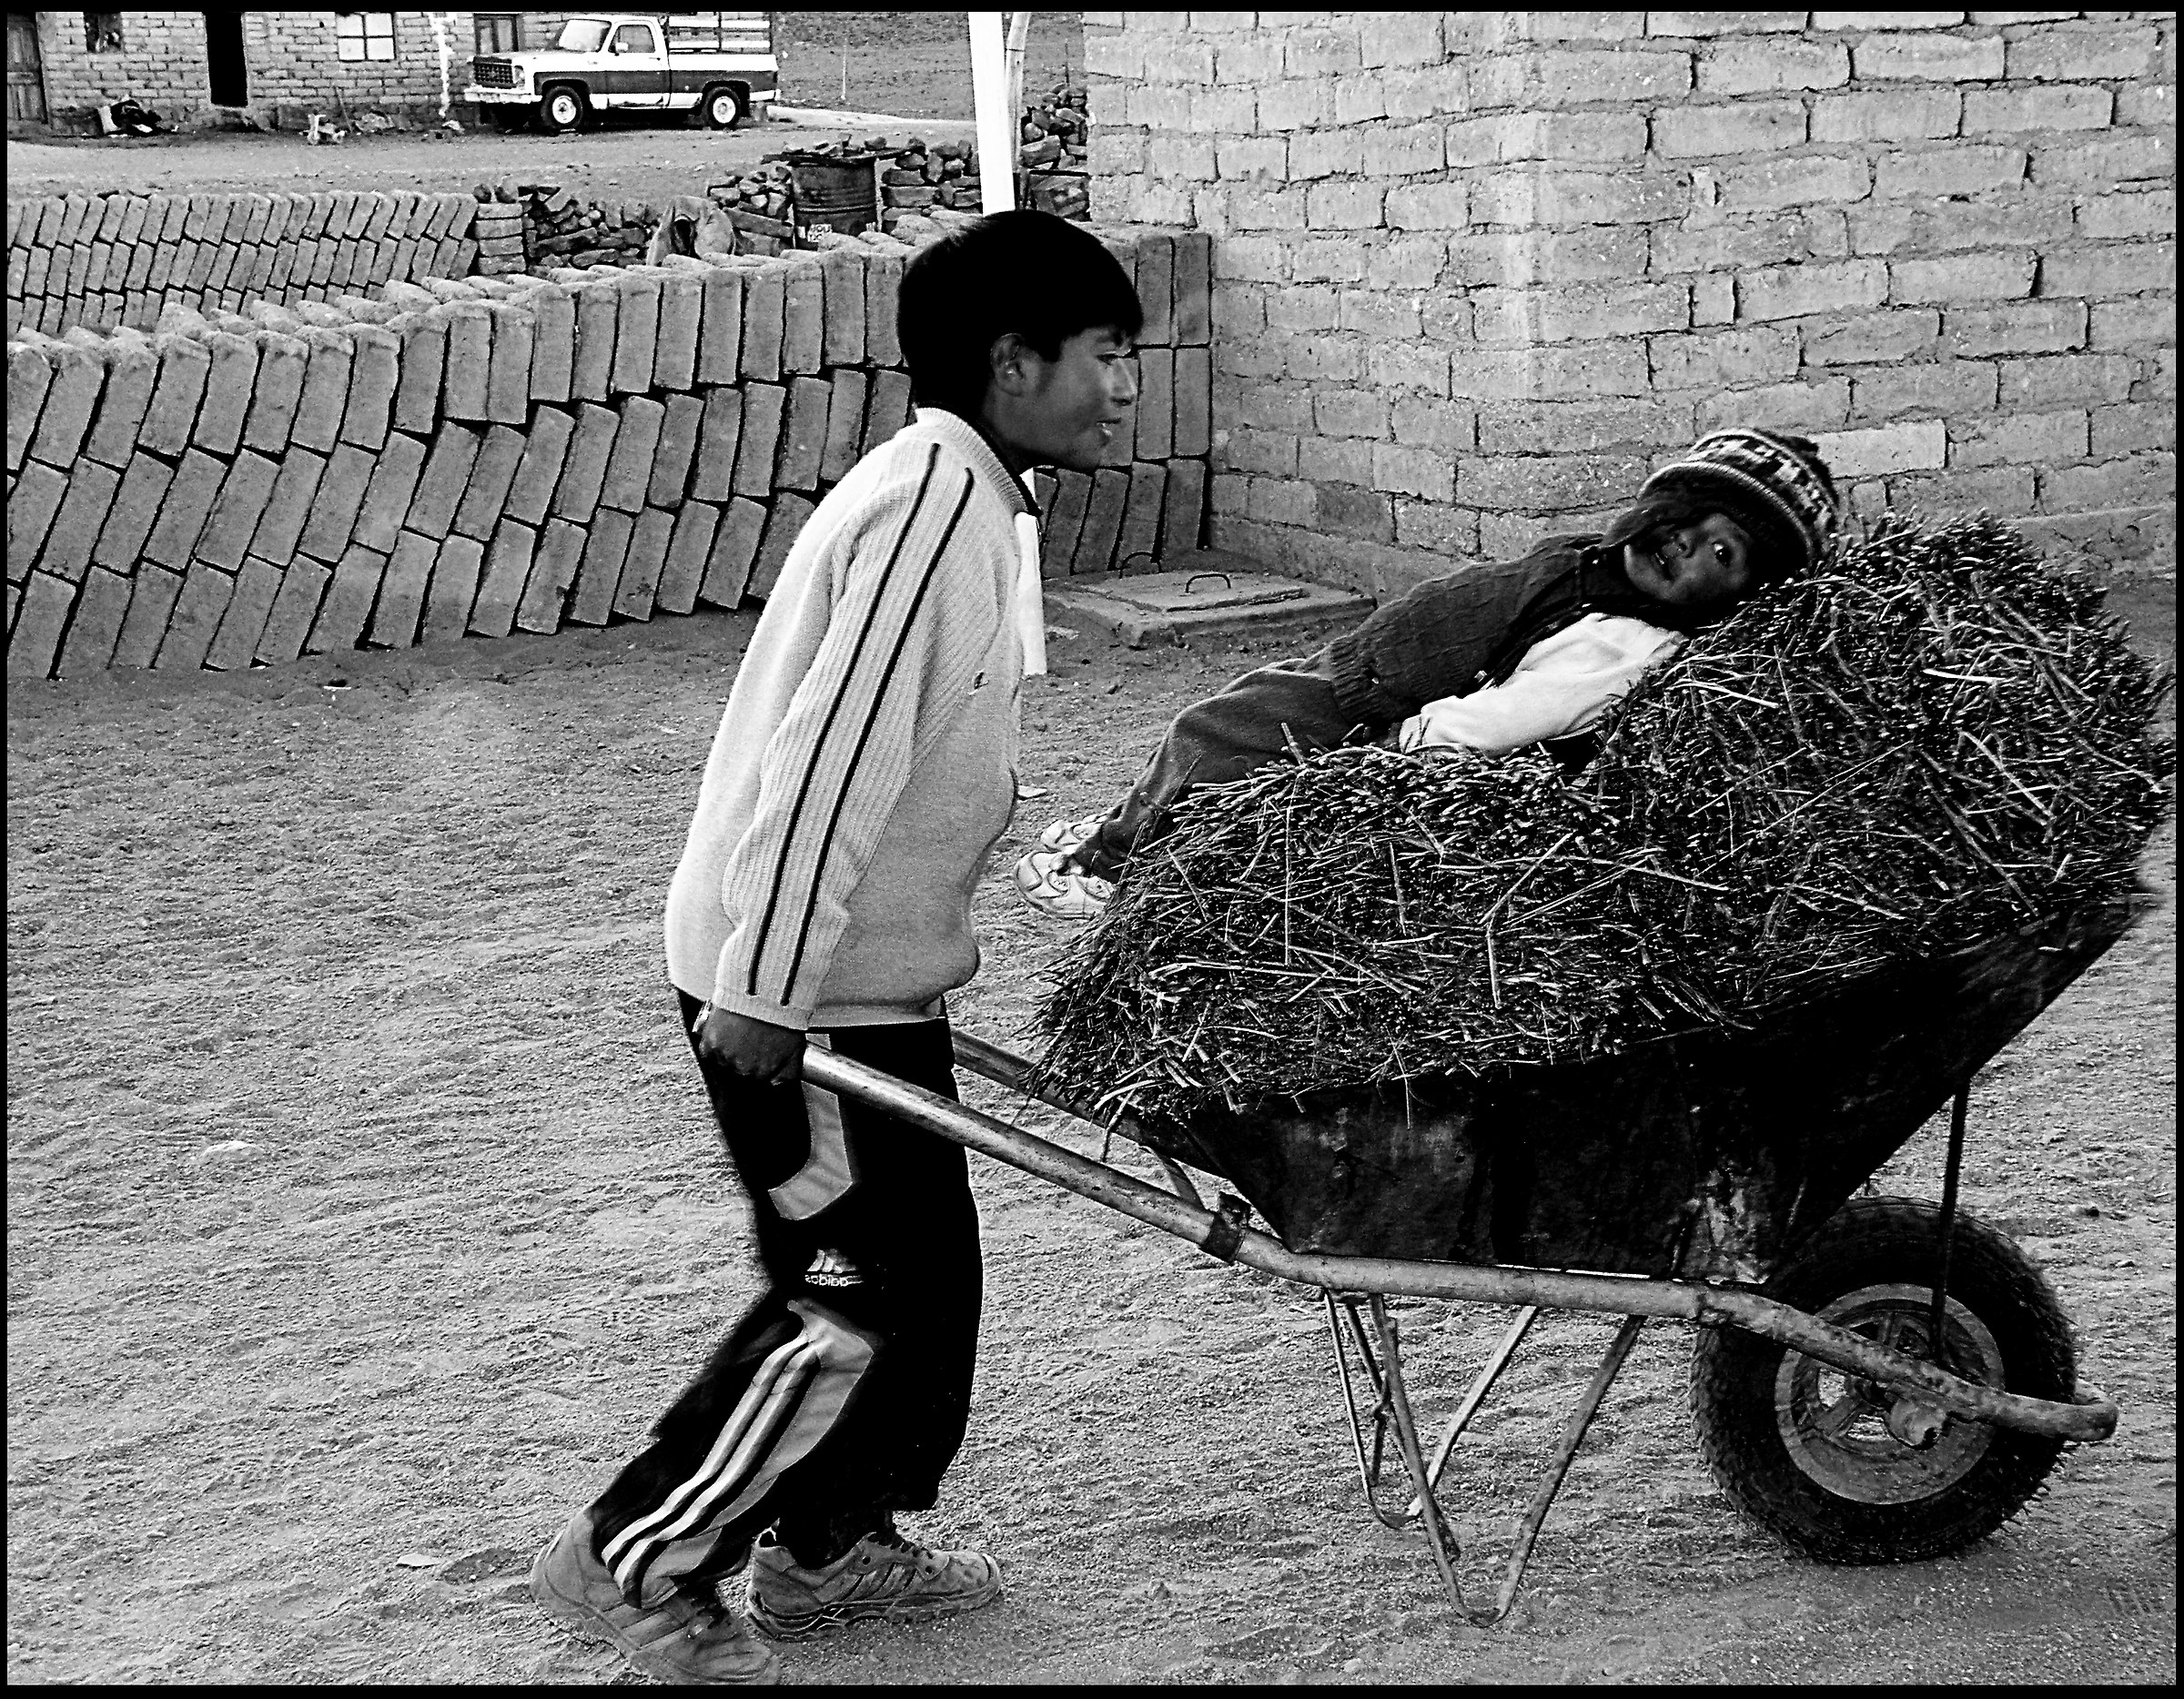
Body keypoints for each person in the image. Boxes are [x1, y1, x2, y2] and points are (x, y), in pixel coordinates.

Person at [529, 209, 1141, 1685]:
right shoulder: (930, 509)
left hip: (859, 978)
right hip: (787, 987)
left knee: (928, 1285)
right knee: (848, 1287)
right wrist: (761, 988)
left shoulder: (975, 501)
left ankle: (830, 1541)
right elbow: (830, 766)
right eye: (1106, 355)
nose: (1123, 387)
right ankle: (635, 1547)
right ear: (1014, 361)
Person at [1015, 429, 1842, 918]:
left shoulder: (1624, 644)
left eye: (1723, 553)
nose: (1686, 545)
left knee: (1211, 735)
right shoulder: (1596, 573)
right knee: (1228, 731)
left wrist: (1414, 742)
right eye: (1684, 521)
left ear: (1741, 598)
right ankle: (1133, 822)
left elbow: (1508, 716)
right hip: (1369, 670)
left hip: (1378, 706)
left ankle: (1118, 868)